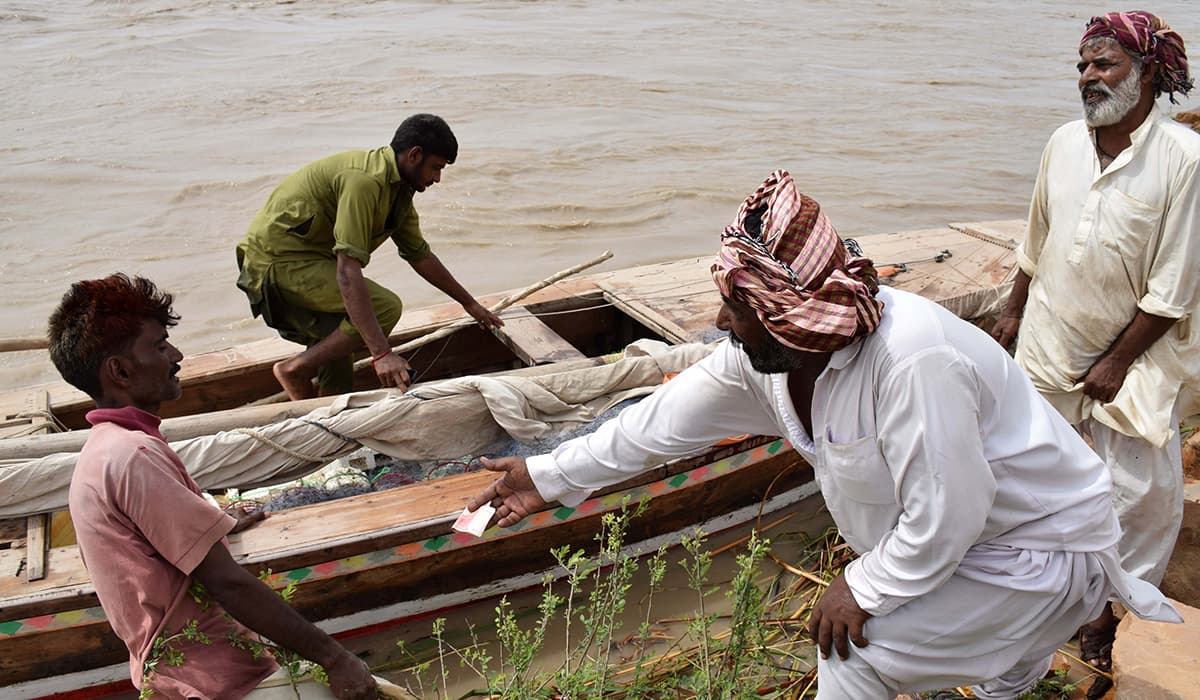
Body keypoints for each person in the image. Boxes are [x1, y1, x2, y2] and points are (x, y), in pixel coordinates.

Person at [467, 172, 1180, 699]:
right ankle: (1008, 668)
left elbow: (949, 515)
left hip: (1032, 554)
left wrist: (863, 585)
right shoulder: (766, 362)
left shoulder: (912, 360)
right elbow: (660, 425)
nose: (722, 323)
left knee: (852, 656)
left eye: (737, 308)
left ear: (790, 311)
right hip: (963, 551)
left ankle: (1027, 644)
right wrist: (549, 477)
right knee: (984, 665)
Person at [990, 10, 1199, 690]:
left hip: (1134, 365)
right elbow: (1037, 235)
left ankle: (1105, 616)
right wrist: (1013, 308)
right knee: (1035, 486)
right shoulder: (1062, 143)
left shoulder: (1184, 161)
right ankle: (1036, 608)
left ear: (1146, 75)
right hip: (1049, 347)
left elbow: (1174, 287)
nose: (1087, 77)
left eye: (1103, 64)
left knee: (1142, 498)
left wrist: (1116, 361)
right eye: (1083, 65)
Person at [49, 274, 381, 699]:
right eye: (159, 345)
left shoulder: (107, 450)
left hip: (175, 675)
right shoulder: (134, 457)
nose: (177, 355)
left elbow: (153, 541)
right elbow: (229, 583)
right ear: (120, 371)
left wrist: (211, 523)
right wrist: (336, 659)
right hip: (217, 680)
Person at [236, 113, 503, 400]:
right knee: (384, 307)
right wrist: (382, 354)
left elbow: (420, 255)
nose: (437, 178)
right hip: (275, 265)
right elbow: (346, 271)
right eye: (436, 168)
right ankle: (295, 369)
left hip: (309, 264)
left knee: (339, 355)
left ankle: (323, 426)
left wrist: (470, 304)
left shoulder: (399, 194)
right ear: (414, 155)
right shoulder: (364, 182)